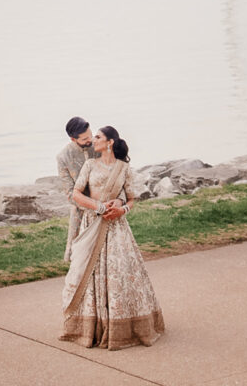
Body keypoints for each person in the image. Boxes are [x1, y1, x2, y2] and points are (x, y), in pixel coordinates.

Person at [59, 125, 165, 351]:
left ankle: (122, 328)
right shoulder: (89, 165)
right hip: (94, 224)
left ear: (109, 143)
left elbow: (132, 199)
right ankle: (90, 329)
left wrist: (121, 209)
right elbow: (77, 194)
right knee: (87, 275)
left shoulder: (124, 169)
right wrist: (98, 207)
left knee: (119, 275)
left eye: (98, 137)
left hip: (117, 230)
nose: (94, 140)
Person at [57, 116, 103, 261]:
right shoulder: (63, 157)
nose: (90, 140)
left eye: (90, 135)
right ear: (73, 139)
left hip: (105, 202)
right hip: (81, 209)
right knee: (79, 256)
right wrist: (92, 207)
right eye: (84, 139)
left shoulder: (98, 146)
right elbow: (70, 194)